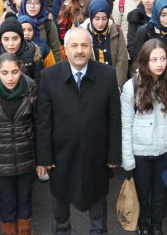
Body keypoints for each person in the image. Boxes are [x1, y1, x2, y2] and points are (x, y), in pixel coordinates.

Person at [36, 27, 121, 235]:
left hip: (97, 155)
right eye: (74, 46)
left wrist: (113, 154)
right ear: (65, 49)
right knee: (60, 216)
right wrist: (44, 157)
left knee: (98, 215)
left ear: (91, 48)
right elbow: (43, 121)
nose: (80, 50)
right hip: (61, 156)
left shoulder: (107, 75)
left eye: (84, 45)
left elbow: (114, 119)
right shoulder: (49, 76)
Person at [121, 39, 167, 235]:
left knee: (161, 192)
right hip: (141, 152)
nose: (159, 64)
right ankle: (144, 223)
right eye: (154, 59)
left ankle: (157, 223)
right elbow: (126, 125)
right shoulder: (131, 86)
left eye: (163, 59)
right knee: (142, 192)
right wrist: (127, 158)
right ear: (144, 61)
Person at [0, 52, 39, 235]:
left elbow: (38, 125)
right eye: (5, 73)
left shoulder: (31, 89)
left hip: (26, 157)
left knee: (25, 200)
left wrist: (42, 159)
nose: (10, 77)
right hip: (0, 160)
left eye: (14, 72)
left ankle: (25, 231)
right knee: (7, 201)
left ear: (20, 70)